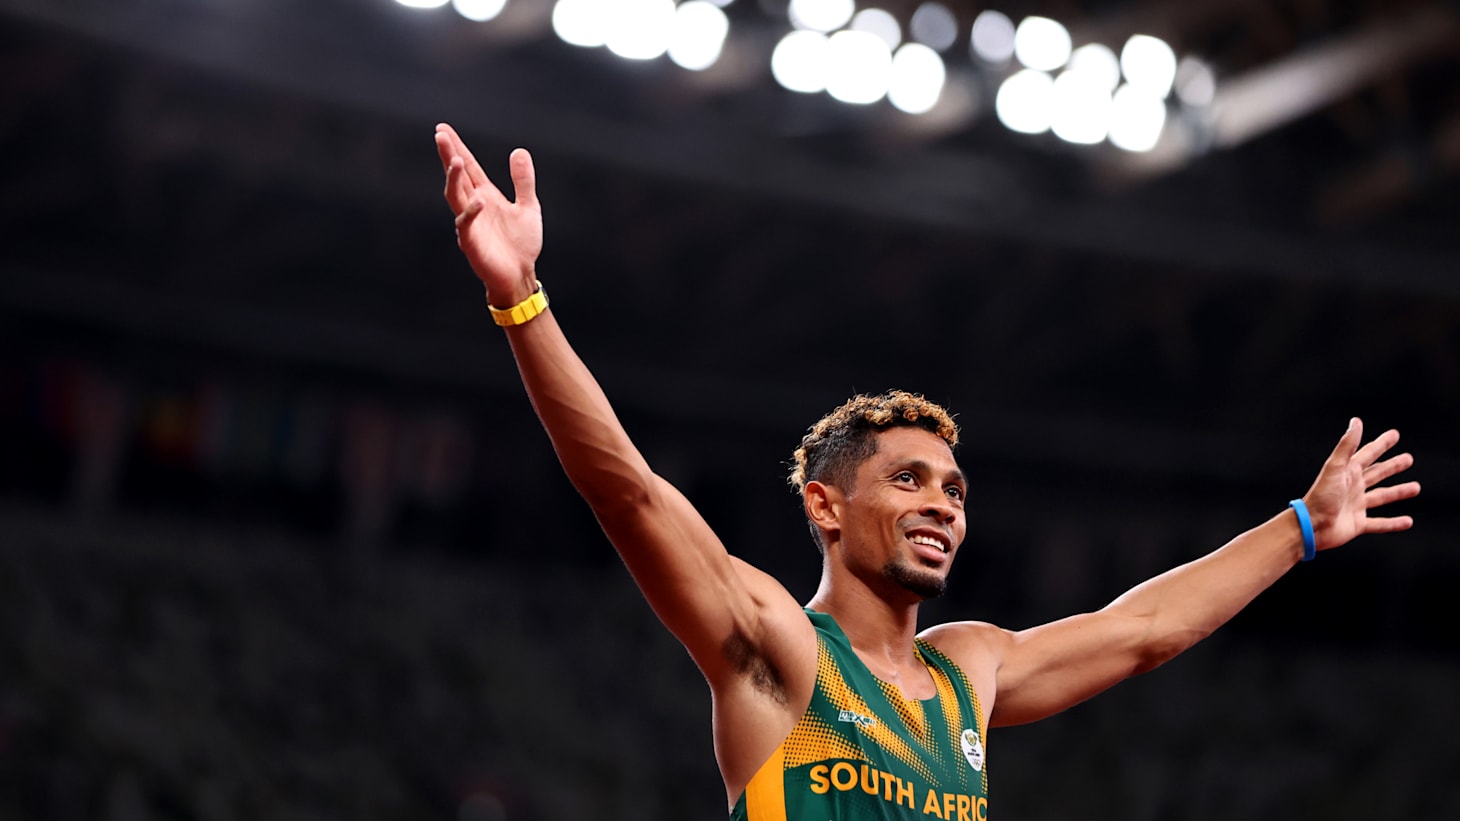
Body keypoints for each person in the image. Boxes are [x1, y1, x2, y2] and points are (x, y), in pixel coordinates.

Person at [432, 123, 1421, 821]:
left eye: (952, 488)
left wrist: (1301, 525)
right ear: (825, 505)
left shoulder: (967, 673)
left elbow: (1142, 631)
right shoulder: (779, 648)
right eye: (908, 479)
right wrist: (521, 299)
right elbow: (627, 490)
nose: (943, 504)